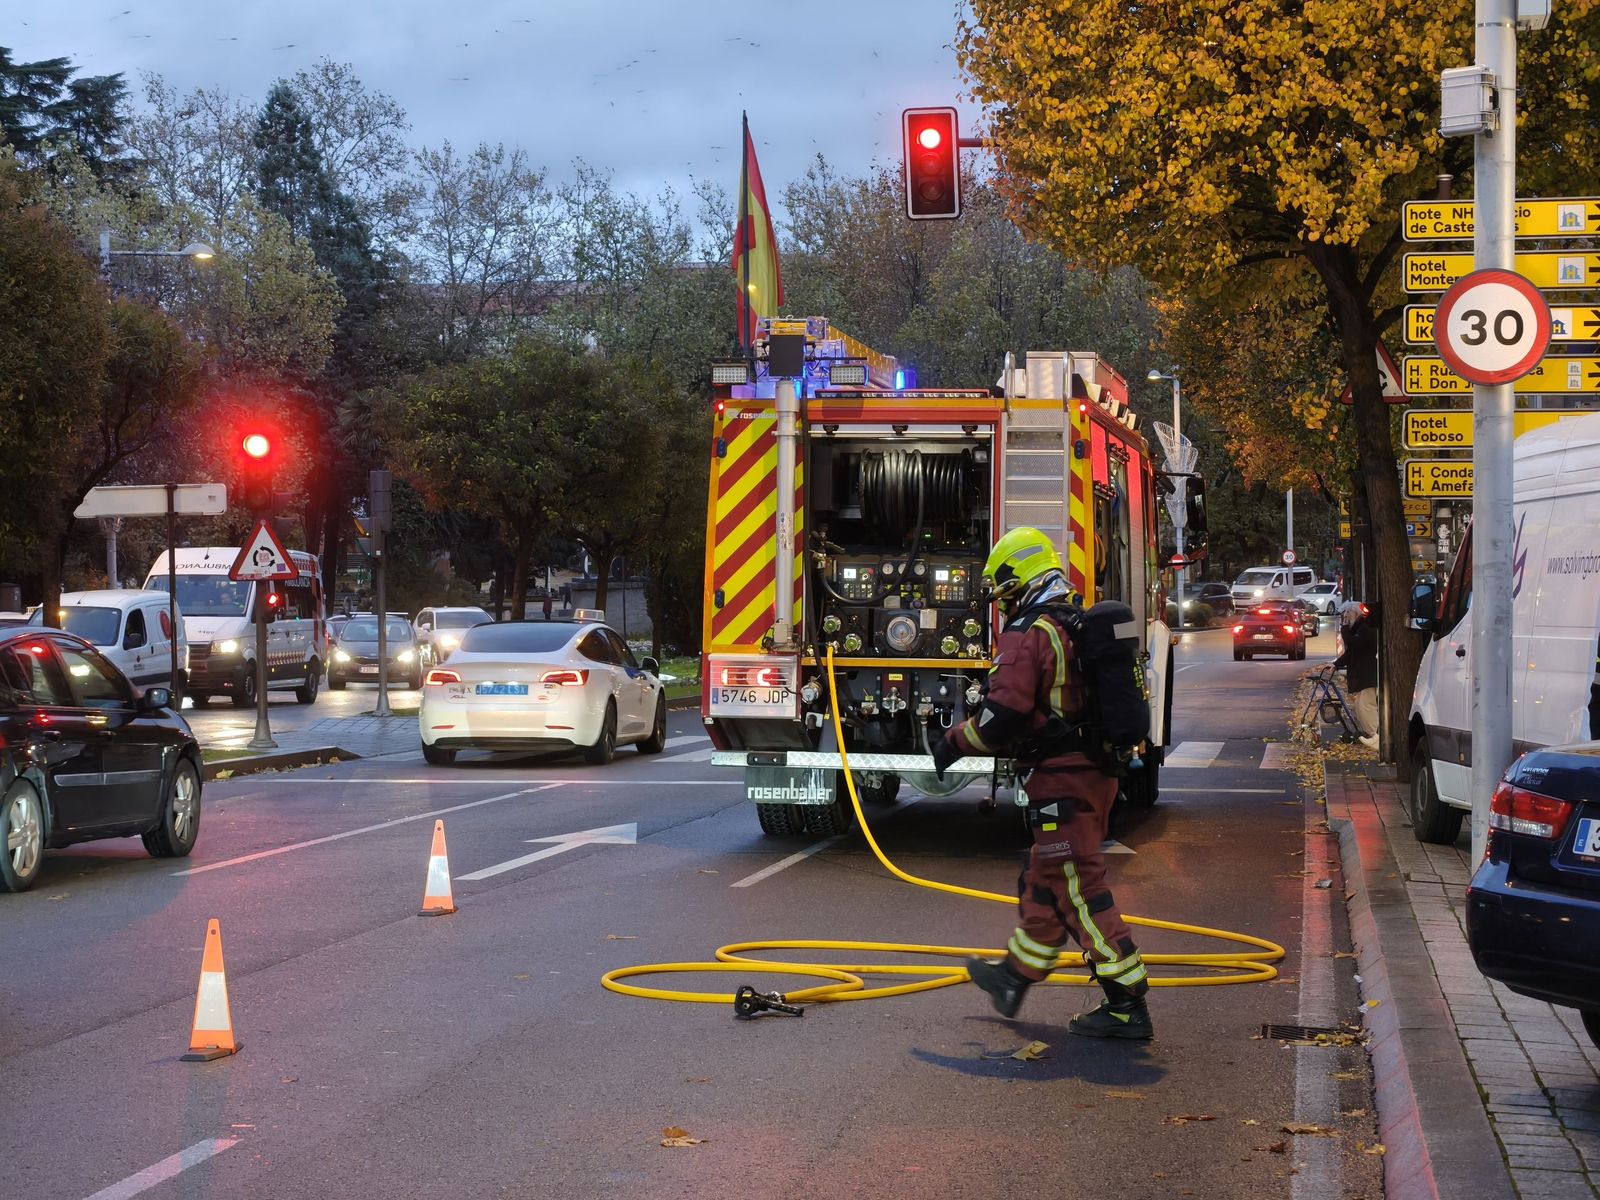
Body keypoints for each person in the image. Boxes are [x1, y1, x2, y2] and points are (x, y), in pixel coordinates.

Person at [932, 526, 1152, 1040]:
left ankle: (1127, 1002)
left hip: (1062, 781)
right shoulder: (1073, 620)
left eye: (1005, 594)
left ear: (1018, 583)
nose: (1004, 605)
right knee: (1044, 880)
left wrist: (952, 742)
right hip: (1093, 775)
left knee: (1077, 888)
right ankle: (1014, 977)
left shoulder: (1030, 631)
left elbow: (1002, 715)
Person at [1334, 601, 1379, 749]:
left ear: (1356, 613)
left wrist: (1344, 628)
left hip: (1367, 674)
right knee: (1361, 706)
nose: (1346, 616)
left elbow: (1353, 644)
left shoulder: (1365, 629)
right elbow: (1351, 652)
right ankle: (1370, 734)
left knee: (1366, 706)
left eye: (1348, 612)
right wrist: (1336, 664)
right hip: (1362, 675)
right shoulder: (1358, 629)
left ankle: (1375, 735)